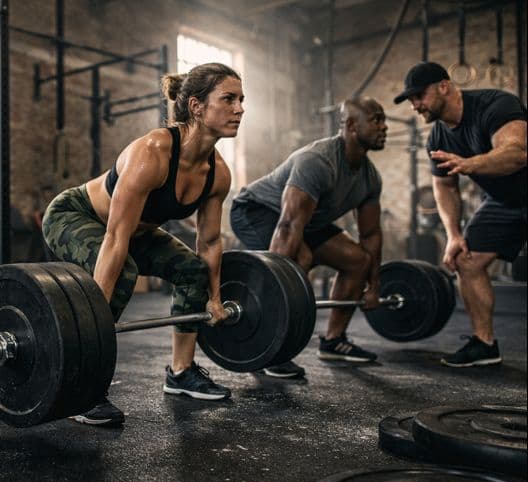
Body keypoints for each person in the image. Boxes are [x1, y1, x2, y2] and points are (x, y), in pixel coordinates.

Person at [42, 63, 243, 426]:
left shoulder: (218, 173)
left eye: (241, 100)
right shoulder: (152, 152)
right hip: (75, 216)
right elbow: (116, 237)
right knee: (122, 276)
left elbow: (210, 242)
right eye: (228, 99)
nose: (240, 108)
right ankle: (82, 385)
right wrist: (94, 316)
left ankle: (181, 373)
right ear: (196, 106)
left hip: (132, 232)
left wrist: (213, 298)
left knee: (191, 269)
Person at [230, 96, 387, 379]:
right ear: (351, 125)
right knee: (299, 258)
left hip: (308, 220)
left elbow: (371, 234)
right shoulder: (318, 161)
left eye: (383, 120)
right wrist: (280, 284)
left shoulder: (370, 178)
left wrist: (374, 286)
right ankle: (270, 346)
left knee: (357, 260)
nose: (384, 126)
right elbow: (289, 226)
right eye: (377, 119)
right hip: (257, 211)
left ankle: (333, 341)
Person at [394, 61, 527, 367]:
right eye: (410, 99)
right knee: (465, 259)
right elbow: (444, 188)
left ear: (444, 86)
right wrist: (453, 234)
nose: (415, 105)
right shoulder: (438, 138)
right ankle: (484, 344)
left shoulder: (495, 104)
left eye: (419, 95)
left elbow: (518, 153)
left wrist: (471, 164)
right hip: (502, 202)